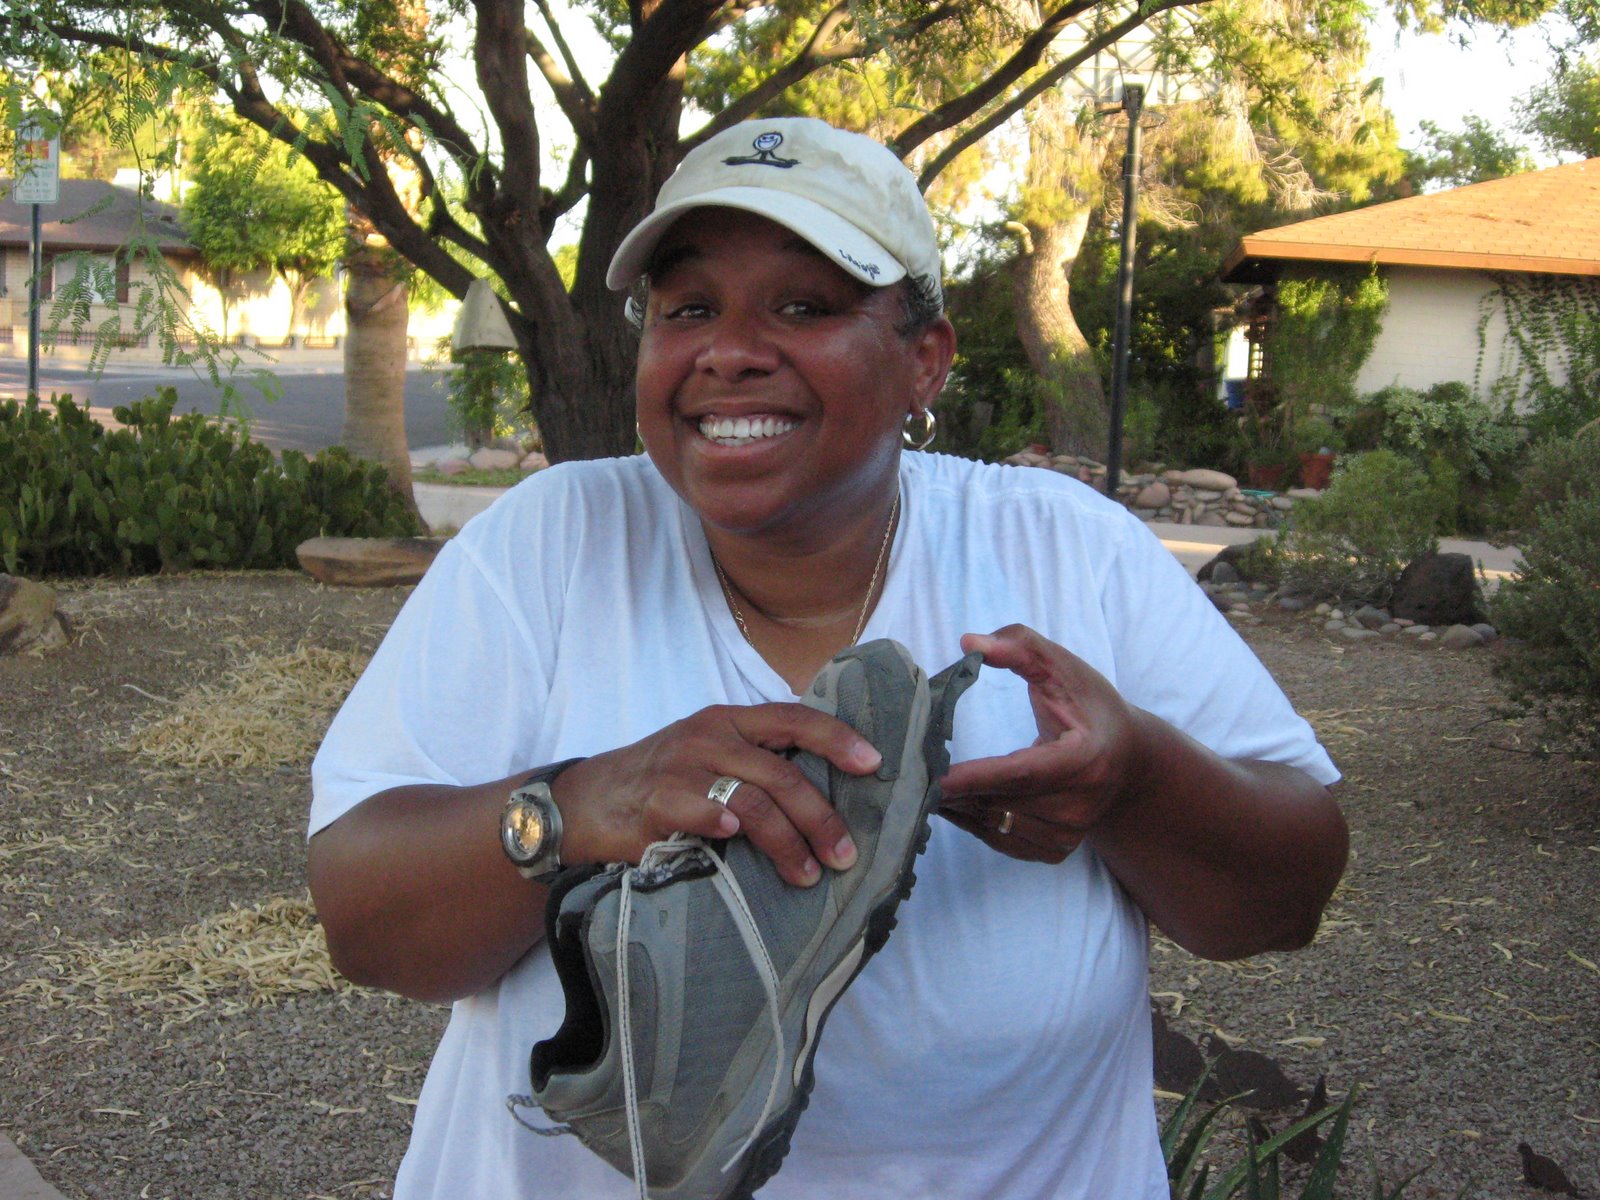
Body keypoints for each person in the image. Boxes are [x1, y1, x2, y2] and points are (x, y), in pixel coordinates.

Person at [308, 116, 1347, 1199]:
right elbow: (365, 926)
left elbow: (1286, 898)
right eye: (688, 308)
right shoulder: (551, 543)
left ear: (923, 362)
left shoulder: (1064, 550)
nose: (729, 351)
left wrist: (1137, 782)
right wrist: (577, 806)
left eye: (804, 306)